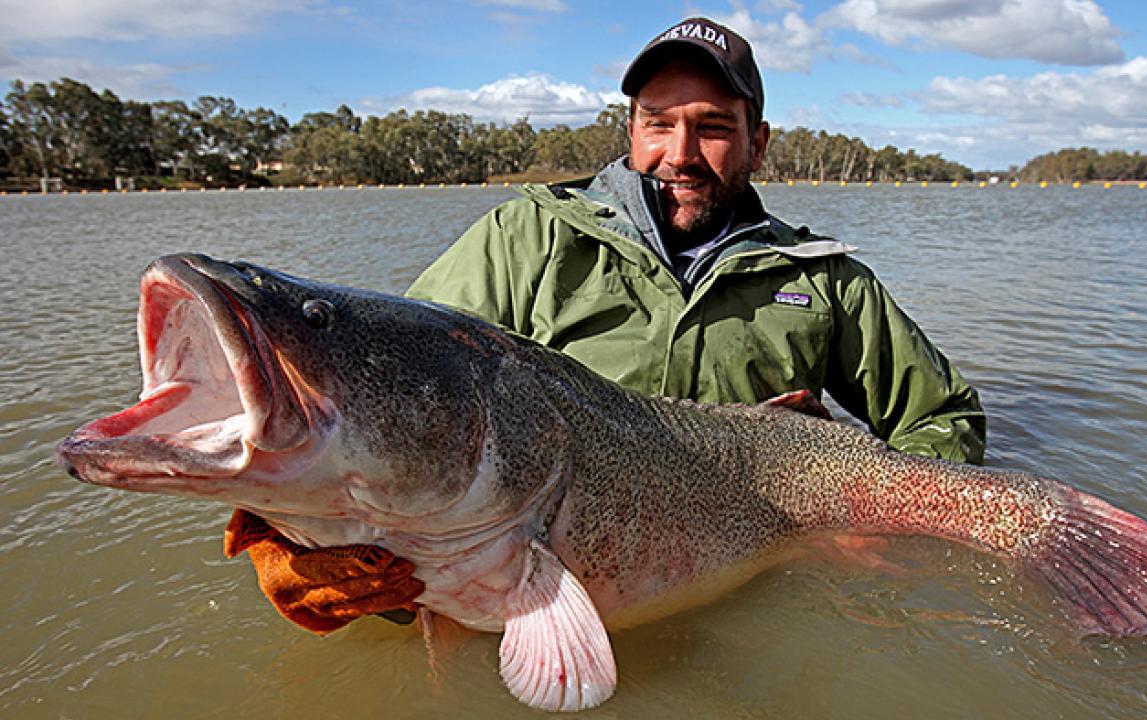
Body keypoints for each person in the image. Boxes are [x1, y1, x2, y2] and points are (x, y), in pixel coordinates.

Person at [227, 16, 986, 633]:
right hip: (523, 602)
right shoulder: (525, 238)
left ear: (758, 141)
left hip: (749, 599)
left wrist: (880, 515)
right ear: (629, 130)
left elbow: (943, 418)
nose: (679, 154)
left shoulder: (826, 281)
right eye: (656, 123)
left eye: (713, 127)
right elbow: (383, 397)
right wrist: (279, 536)